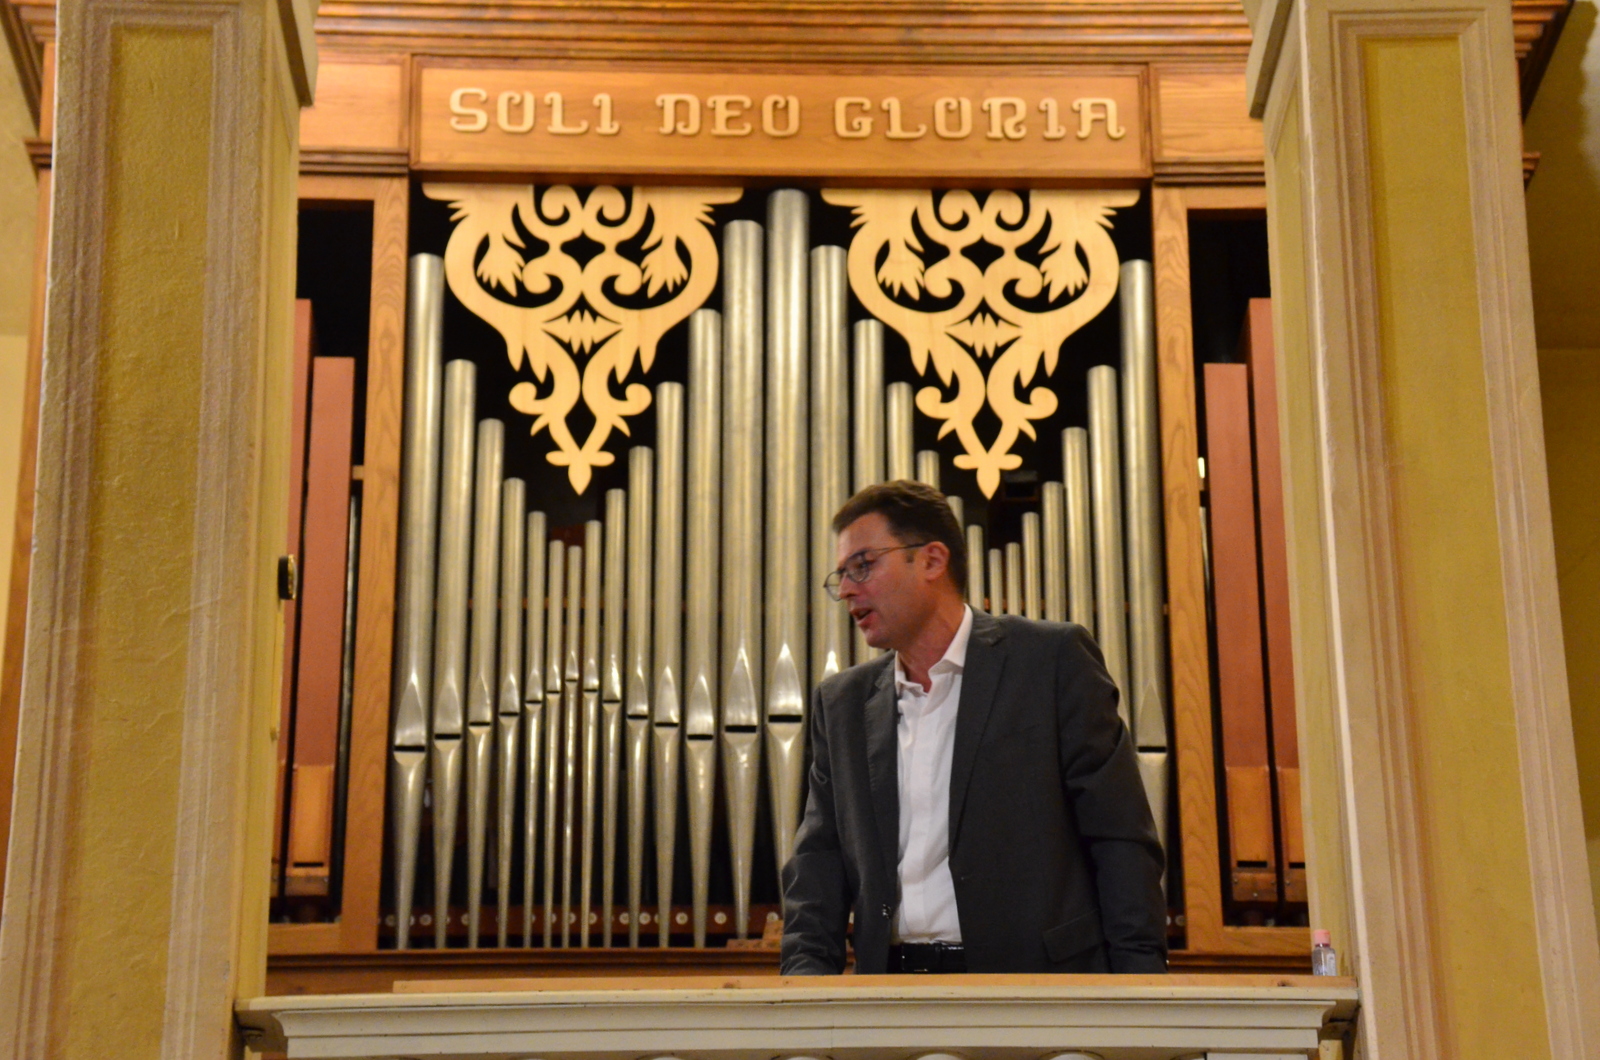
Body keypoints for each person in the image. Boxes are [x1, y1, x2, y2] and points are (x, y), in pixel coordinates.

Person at [780, 480, 1167, 975]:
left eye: (863, 565)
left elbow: (1120, 838)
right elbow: (818, 863)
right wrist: (805, 985)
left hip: (1035, 987)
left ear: (932, 561)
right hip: (888, 989)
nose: (848, 589)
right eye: (842, 575)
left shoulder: (1049, 662)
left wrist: (1139, 987)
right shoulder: (842, 704)